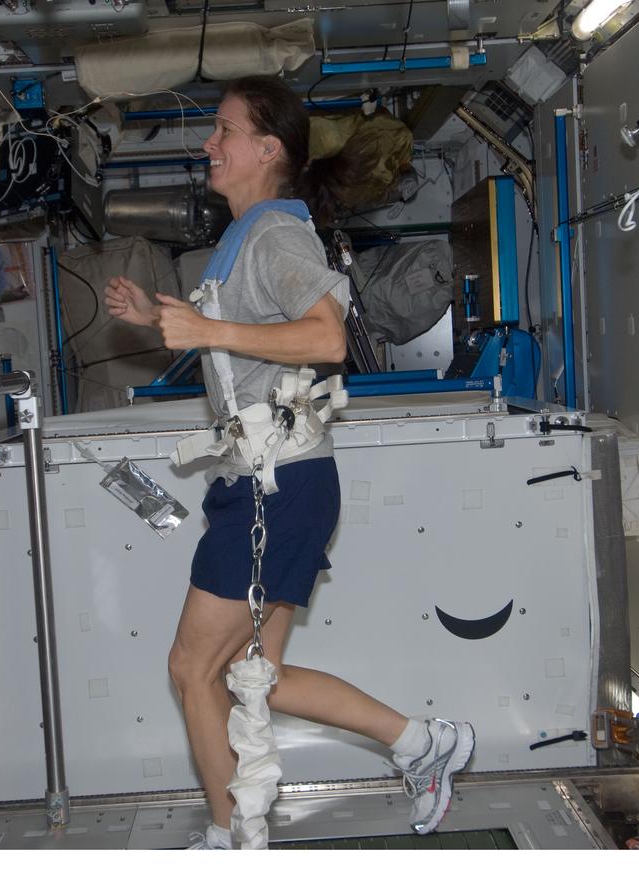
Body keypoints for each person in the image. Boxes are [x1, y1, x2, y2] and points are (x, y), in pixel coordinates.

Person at [103, 75, 474, 849]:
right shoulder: (243, 239)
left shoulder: (276, 235)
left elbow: (325, 339)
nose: (211, 142)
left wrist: (207, 333)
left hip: (281, 487)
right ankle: (422, 744)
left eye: (224, 130)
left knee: (191, 669)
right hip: (275, 483)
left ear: (267, 149)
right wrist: (165, 318)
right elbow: (246, 351)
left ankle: (229, 838)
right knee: (253, 681)